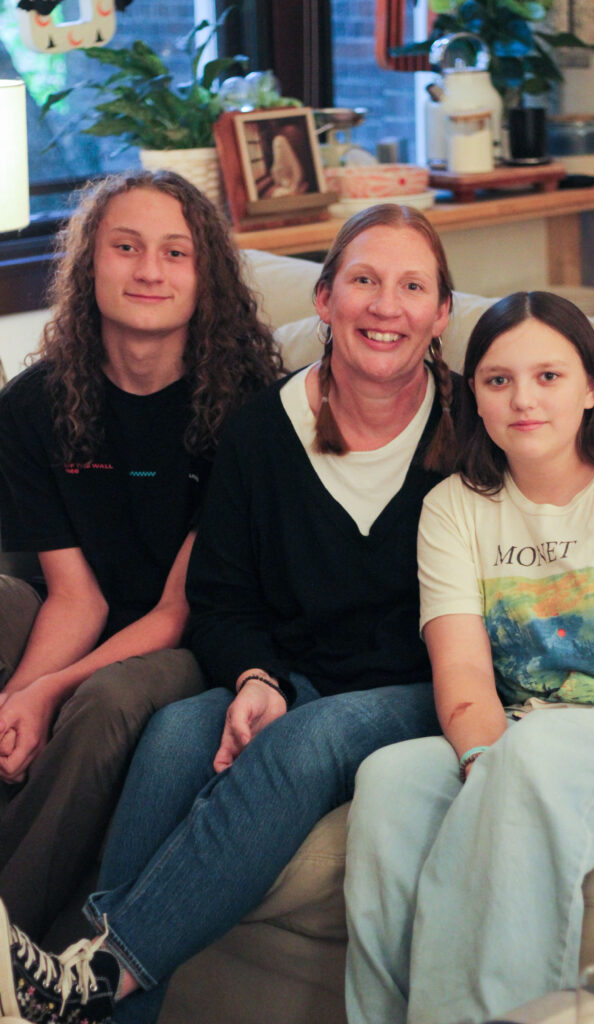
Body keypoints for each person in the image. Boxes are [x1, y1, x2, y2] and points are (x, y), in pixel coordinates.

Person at [0, 201, 460, 1024]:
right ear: (324, 300)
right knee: (177, 734)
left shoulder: (473, 428)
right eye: (362, 280)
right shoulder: (260, 429)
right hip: (291, 669)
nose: (384, 306)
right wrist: (254, 674)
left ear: (440, 314)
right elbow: (221, 597)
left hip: (425, 685)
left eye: (410, 286)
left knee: (304, 737)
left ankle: (97, 979)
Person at [343, 291, 594, 1024]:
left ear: (591, 388)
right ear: (475, 397)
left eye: (549, 377)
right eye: (498, 381)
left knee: (532, 755)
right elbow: (463, 674)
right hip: (525, 729)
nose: (522, 399)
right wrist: (482, 769)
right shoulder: (455, 509)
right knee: (390, 777)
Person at [0, 169, 281, 941]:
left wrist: (52, 692)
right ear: (90, 263)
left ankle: (10, 940)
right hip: (86, 617)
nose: (148, 271)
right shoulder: (33, 405)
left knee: (105, 702)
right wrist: (19, 702)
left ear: (206, 278)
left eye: (174, 253)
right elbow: (74, 598)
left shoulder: (250, 413)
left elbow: (174, 612)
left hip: (190, 642)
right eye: (125, 247)